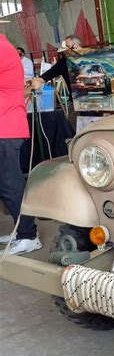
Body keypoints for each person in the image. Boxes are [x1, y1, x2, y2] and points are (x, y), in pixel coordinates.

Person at [0, 32, 42, 255]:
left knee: (10, 185)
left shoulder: (1, 49)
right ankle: (20, 230)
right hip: (5, 125)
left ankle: (28, 235)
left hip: (5, 127)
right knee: (7, 185)